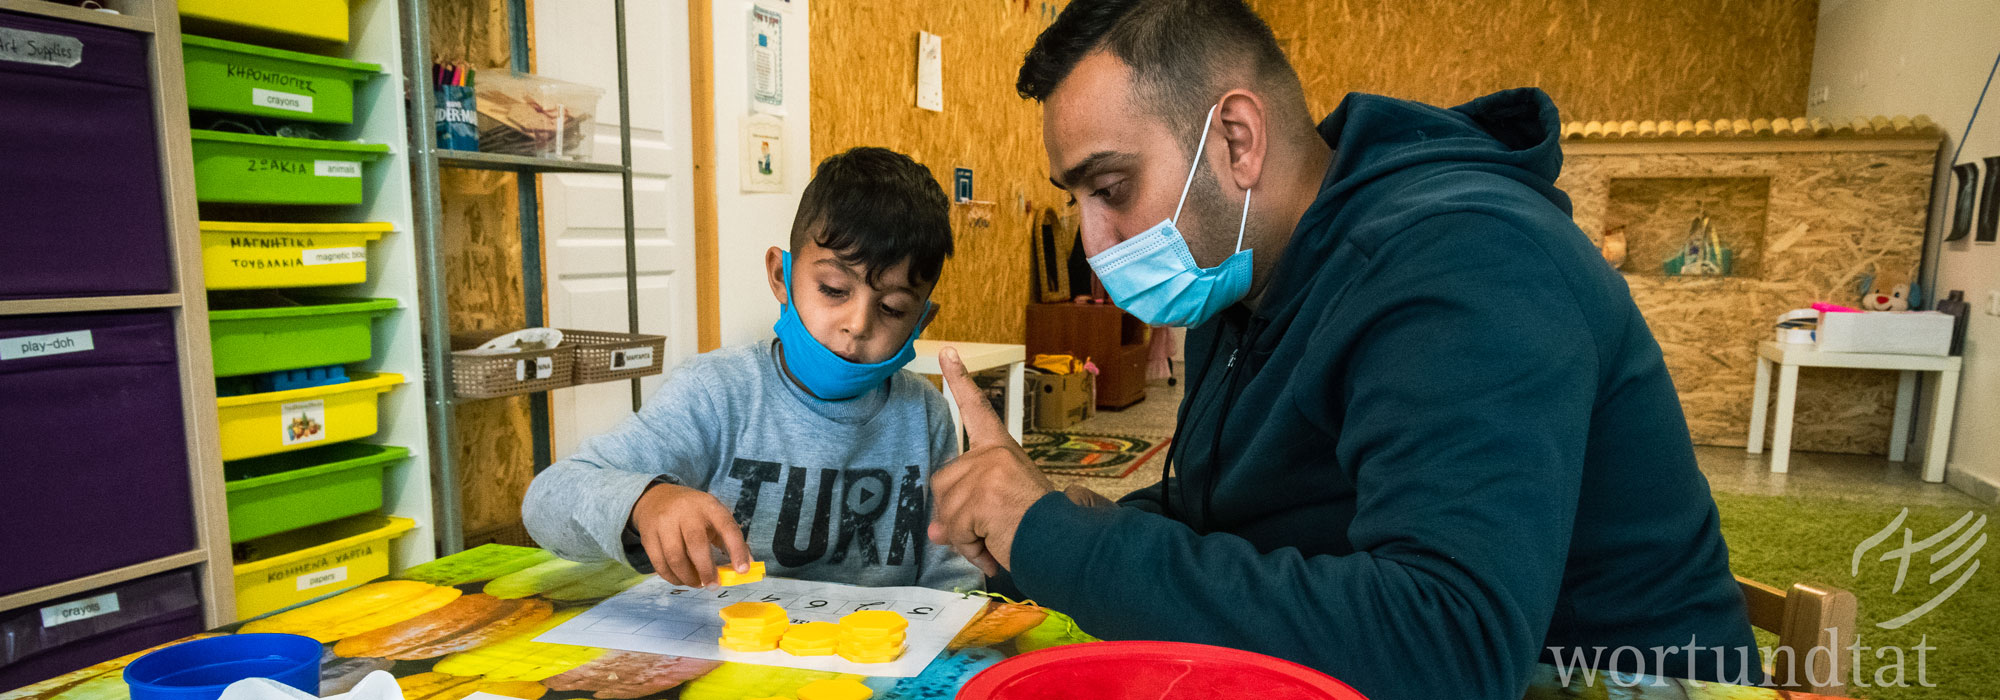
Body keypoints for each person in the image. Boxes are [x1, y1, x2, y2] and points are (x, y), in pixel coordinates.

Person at [925, 1, 1760, 697]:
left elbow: (1448, 648)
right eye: (1077, 202)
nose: (1096, 243)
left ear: (1239, 141)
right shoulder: (1249, 277)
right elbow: (1244, 518)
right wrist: (1051, 523)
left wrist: (1059, 542)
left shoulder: (1472, 260)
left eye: (1111, 190)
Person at [525, 147, 981, 593]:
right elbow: (548, 499)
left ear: (921, 320)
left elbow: (953, 577)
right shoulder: (717, 393)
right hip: (730, 653)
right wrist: (646, 502)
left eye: (892, 308)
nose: (857, 325)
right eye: (833, 289)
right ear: (781, 277)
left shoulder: (925, 413)